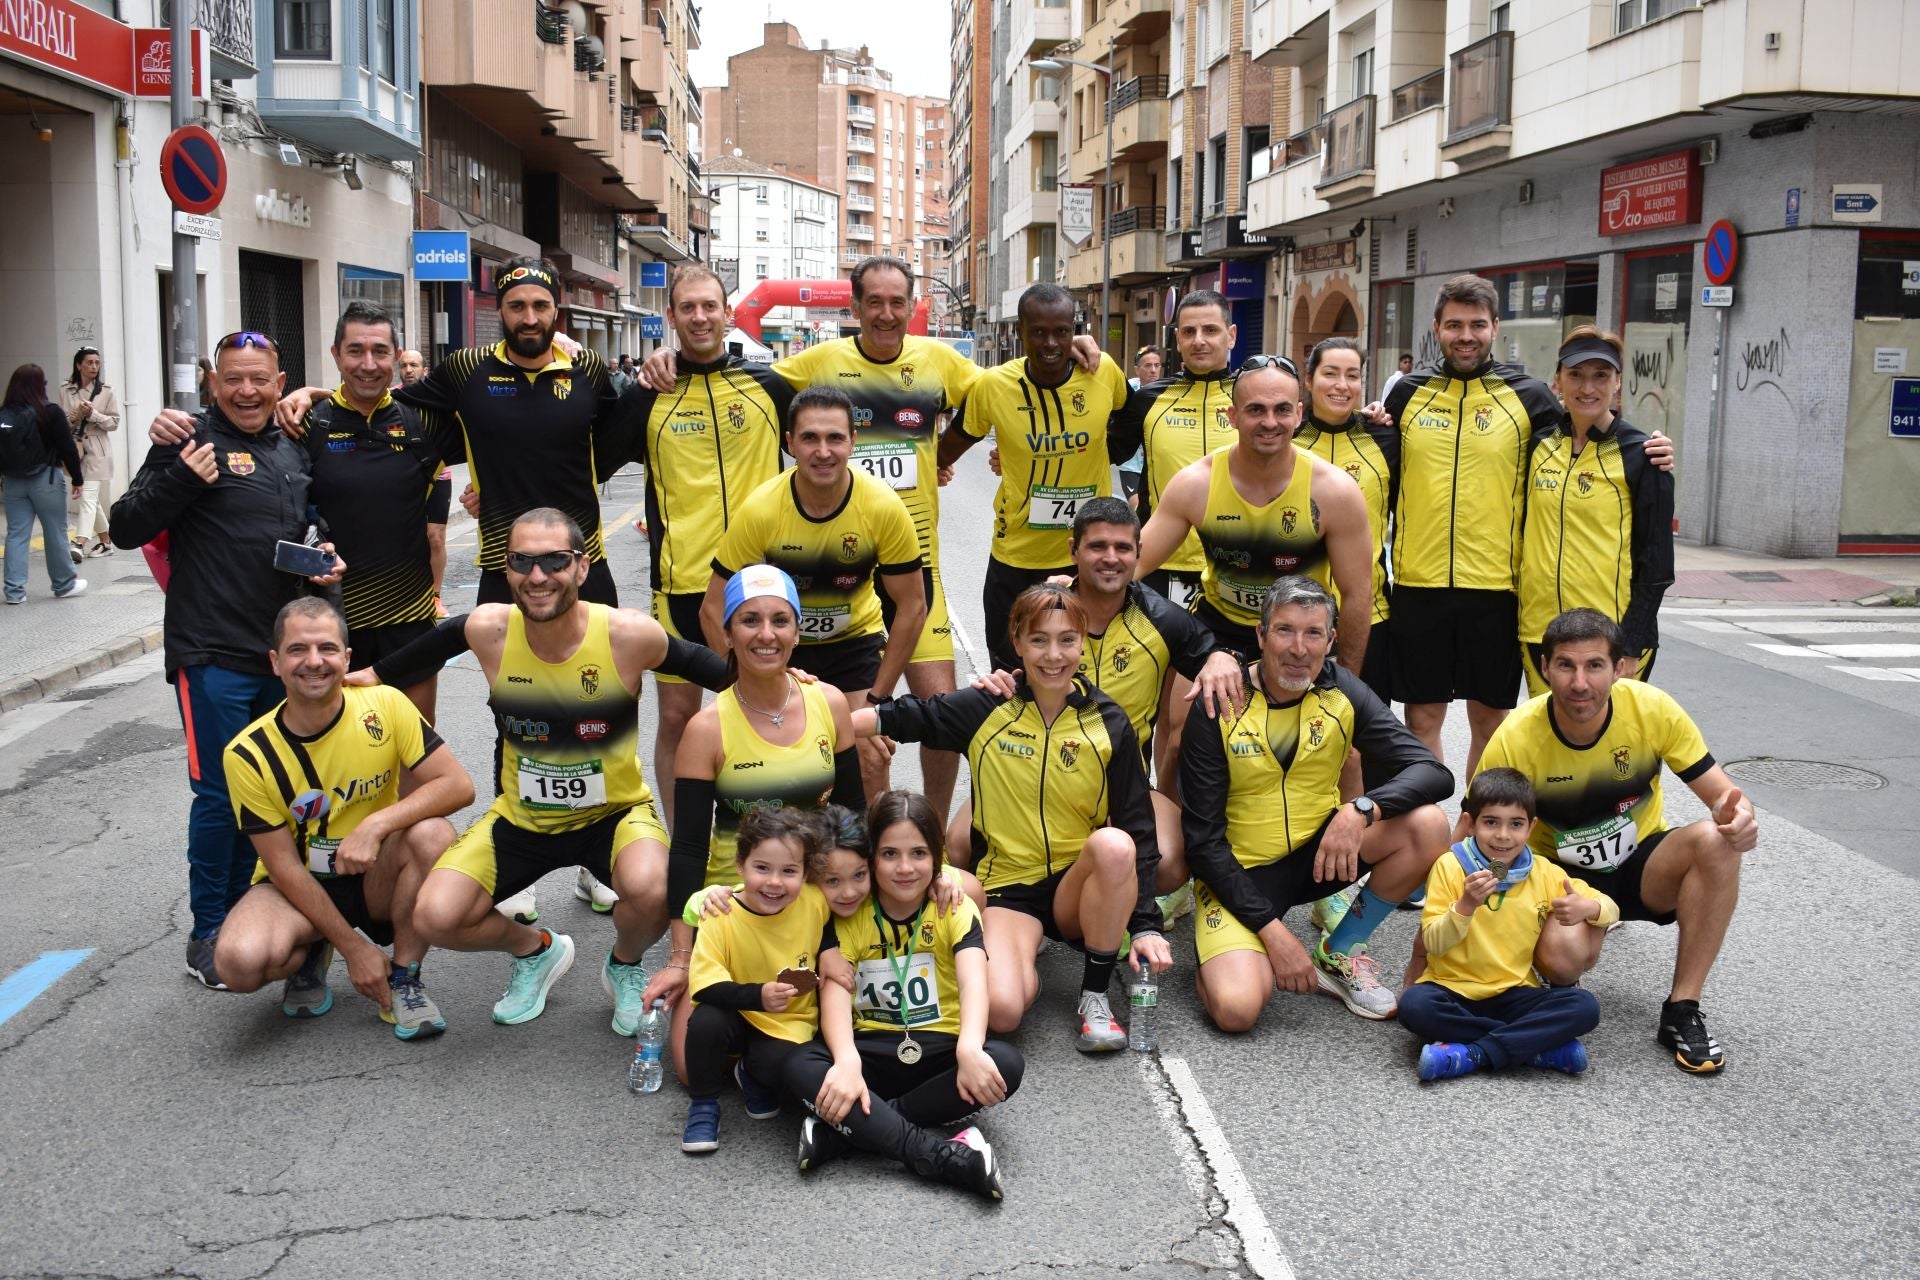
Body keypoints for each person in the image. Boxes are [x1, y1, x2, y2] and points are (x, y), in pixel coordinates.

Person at [643, 256, 993, 822]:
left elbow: (1001, 394)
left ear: (911, 307)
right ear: (853, 309)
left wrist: (944, 455)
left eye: (896, 302)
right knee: (800, 735)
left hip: (904, 557)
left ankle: (919, 845)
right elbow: (736, 377)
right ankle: (781, 840)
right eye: (872, 302)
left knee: (935, 712)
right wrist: (666, 359)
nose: (885, 313)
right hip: (811, 578)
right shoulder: (818, 365)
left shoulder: (941, 362)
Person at [367, 510, 685, 1029]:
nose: (537, 577)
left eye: (554, 561)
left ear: (582, 568)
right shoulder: (489, 628)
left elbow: (713, 669)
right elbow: (412, 656)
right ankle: (536, 950)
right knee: (435, 915)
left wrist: (788, 679)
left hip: (613, 816)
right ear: (507, 568)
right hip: (522, 820)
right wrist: (358, 676)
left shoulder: (629, 634)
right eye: (522, 562)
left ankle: (624, 965)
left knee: (654, 888)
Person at [110, 332, 345, 987]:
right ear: (214, 381)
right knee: (220, 794)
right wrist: (180, 480)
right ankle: (209, 929)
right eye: (234, 379)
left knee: (288, 796)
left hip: (282, 659)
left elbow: (309, 523)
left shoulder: (293, 446)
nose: (247, 391)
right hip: (210, 652)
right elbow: (124, 525)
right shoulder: (184, 441)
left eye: (260, 379)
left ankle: (278, 918)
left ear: (279, 381)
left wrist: (322, 555)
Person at [856, 584, 1170, 1051]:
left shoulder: (1109, 720)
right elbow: (885, 718)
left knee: (1115, 845)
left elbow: (1140, 829)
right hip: (1010, 891)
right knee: (1002, 1011)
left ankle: (1095, 996)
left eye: (1068, 639)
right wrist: (788, 704)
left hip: (1076, 889)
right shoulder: (987, 706)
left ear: (1083, 643)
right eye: (1039, 640)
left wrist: (1145, 924)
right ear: (1017, 643)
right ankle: (1023, 965)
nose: (1054, 655)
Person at [1471, 608, 1758, 1074]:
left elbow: (1725, 796)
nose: (1579, 683)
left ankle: (1683, 1007)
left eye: (1594, 666)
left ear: (1620, 667)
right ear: (1545, 668)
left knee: (1716, 842)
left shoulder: (1652, 709)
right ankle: (1573, 942)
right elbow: (1479, 833)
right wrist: (1458, 924)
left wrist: (1740, 817)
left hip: (1642, 866)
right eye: (1565, 665)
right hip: (1561, 881)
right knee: (1564, 963)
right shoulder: (1517, 735)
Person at [1180, 576, 1452, 1030]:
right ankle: (1229, 952)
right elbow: (1203, 843)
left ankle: (1339, 950)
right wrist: (1275, 936)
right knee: (1237, 1010)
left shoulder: (1341, 689)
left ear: (1331, 641)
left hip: (1320, 856)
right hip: (1240, 872)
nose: (1298, 648)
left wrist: (1360, 810)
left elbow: (1434, 773)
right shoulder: (1221, 700)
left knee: (1427, 825)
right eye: (1285, 630)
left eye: (1313, 634)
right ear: (1261, 636)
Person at [279, 258, 624, 609]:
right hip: (505, 567)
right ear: (500, 310)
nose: (530, 318)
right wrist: (315, 394)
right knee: (509, 666)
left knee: (600, 665)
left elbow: (616, 438)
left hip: (583, 563)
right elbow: (380, 396)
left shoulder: (589, 368)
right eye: (516, 306)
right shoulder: (466, 368)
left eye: (541, 305)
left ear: (555, 310)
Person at [214, 599, 476, 1038]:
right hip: (300, 882)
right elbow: (282, 866)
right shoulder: (247, 753)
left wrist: (375, 826)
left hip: (374, 873)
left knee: (433, 834)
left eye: (327, 649)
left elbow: (457, 786)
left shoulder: (385, 704)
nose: (314, 662)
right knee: (238, 963)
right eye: (298, 650)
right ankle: (314, 948)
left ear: (347, 658)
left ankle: (405, 977)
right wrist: (353, 948)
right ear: (275, 662)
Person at [595, 265, 792, 817]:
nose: (700, 317)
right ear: (672, 317)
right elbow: (596, 460)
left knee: (765, 714)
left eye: (710, 306)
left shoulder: (768, 387)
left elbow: (827, 455)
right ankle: (685, 848)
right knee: (679, 720)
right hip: (680, 584)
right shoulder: (650, 394)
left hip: (760, 586)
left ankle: (766, 842)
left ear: (728, 313)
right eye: (688, 308)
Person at [659, 564, 865, 1056]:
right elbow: (688, 847)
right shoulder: (706, 729)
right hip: (739, 900)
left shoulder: (829, 703)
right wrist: (680, 956)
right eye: (749, 620)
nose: (766, 634)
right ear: (728, 633)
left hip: (818, 893)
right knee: (691, 1061)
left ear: (797, 631)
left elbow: (854, 814)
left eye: (780, 620)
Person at [785, 792, 1018, 1200]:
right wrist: (846, 1060)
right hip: (868, 1056)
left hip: (939, 1050)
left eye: (919, 854)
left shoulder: (954, 906)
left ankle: (846, 1133)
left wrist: (969, 1049)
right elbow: (836, 997)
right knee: (798, 1063)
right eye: (890, 853)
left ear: (938, 857)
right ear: (871, 857)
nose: (905, 867)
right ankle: (941, 1155)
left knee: (1005, 1064)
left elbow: (972, 982)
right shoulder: (850, 911)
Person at [705, 386, 927, 801]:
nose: (823, 451)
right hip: (779, 649)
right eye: (809, 438)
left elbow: (913, 606)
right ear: (790, 443)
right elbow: (712, 608)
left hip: (853, 646)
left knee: (871, 754)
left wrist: (876, 702)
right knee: (778, 764)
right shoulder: (762, 509)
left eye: (835, 438)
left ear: (853, 441)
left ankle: (869, 859)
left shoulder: (882, 506)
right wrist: (747, 680)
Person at [938, 283, 1131, 673]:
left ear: (1073, 330)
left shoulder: (1102, 371)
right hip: (1016, 559)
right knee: (1009, 675)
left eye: (1061, 331)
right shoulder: (993, 386)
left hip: (1087, 557)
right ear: (1019, 332)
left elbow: (1134, 419)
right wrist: (932, 466)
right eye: (1038, 332)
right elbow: (950, 444)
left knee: (1087, 672)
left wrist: (1102, 455)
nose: (1050, 343)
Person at [1137, 356, 1375, 672]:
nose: (1270, 422)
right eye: (1256, 410)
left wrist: (1347, 685)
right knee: (1176, 719)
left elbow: (1357, 594)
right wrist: (1071, 590)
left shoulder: (1335, 491)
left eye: (1282, 409)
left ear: (1298, 414)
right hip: (1220, 628)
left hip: (1298, 633)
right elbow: (1134, 562)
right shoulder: (1196, 484)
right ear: (1233, 416)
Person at [1403, 767, 1609, 1081]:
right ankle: (1534, 1047)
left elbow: (1610, 907)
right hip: (1453, 990)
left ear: (1531, 827)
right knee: (1414, 1006)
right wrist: (1465, 906)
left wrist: (1590, 906)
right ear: (1471, 824)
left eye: (1516, 824)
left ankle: (1473, 1054)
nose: (1503, 835)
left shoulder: (1542, 871)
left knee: (1584, 1006)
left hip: (1514, 993)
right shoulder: (1450, 865)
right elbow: (1434, 942)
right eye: (1491, 822)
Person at [1518, 327, 1674, 697]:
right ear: (1558, 381)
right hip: (1539, 632)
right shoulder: (1538, 444)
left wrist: (1631, 644)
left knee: (1609, 750)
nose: (1587, 388)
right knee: (1550, 748)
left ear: (1618, 382)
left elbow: (1657, 565)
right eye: (1576, 375)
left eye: (1600, 376)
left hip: (1609, 640)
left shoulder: (1644, 455)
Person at [680, 806, 834, 1154]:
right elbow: (705, 984)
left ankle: (750, 1073)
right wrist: (758, 996)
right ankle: (703, 1105)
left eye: (789, 871)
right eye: (761, 868)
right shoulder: (720, 913)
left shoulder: (814, 901)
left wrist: (831, 949)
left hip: (788, 1021)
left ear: (806, 873)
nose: (775, 882)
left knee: (784, 1068)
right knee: (705, 1021)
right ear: (740, 865)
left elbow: (844, 915)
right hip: (736, 1010)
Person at [1291, 338, 1397, 706]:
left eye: (1352, 375)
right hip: (1294, 615)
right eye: (1330, 373)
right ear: (1309, 379)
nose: (1341, 385)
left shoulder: (1385, 437)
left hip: (1369, 615)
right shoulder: (1286, 439)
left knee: (1365, 741)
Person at [2, 364, 86, 604]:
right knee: (55, 531)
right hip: (45, 480)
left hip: (12, 482)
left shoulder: (4, 413)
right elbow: (67, 448)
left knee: (17, 535)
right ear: (40, 385)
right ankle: (64, 584)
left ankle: (14, 592)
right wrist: (77, 479)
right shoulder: (49, 411)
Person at [397, 347, 452, 621]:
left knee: (435, 537)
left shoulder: (437, 399)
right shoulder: (391, 399)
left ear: (425, 370)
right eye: (404, 365)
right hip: (404, 478)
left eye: (414, 365)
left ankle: (435, 596)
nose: (409, 370)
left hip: (439, 476)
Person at [59, 346, 121, 560]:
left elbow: (114, 423)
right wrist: (75, 415)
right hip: (75, 449)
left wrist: (93, 414)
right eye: (89, 362)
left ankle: (79, 542)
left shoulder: (106, 391)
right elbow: (62, 423)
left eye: (97, 362)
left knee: (87, 495)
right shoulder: (66, 390)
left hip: (98, 450)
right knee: (91, 500)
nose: (94, 366)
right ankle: (105, 542)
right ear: (79, 365)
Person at [1117, 345, 1163, 505]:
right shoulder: (1127, 390)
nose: (1153, 370)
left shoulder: (1167, 392)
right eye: (1148, 365)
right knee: (1136, 506)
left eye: (1157, 365)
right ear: (1137, 369)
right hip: (1131, 465)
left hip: (1155, 464)